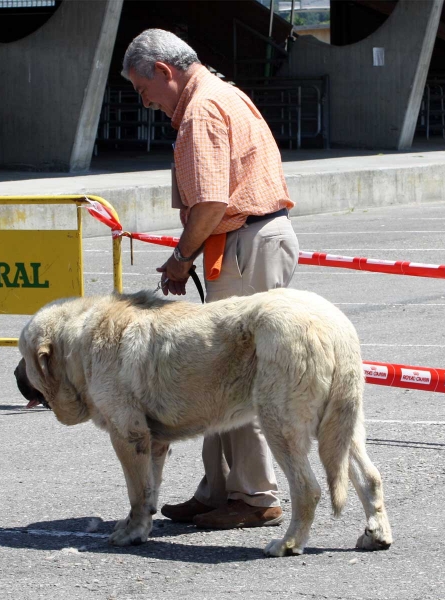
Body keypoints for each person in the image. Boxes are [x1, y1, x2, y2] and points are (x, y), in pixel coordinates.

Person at [122, 29, 299, 529]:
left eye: (143, 90)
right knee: (219, 374)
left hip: (245, 242)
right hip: (251, 241)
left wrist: (180, 259)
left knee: (241, 375)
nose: (147, 102)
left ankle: (254, 495)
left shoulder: (201, 111)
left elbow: (213, 202)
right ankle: (219, 488)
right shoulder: (223, 93)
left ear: (164, 71)